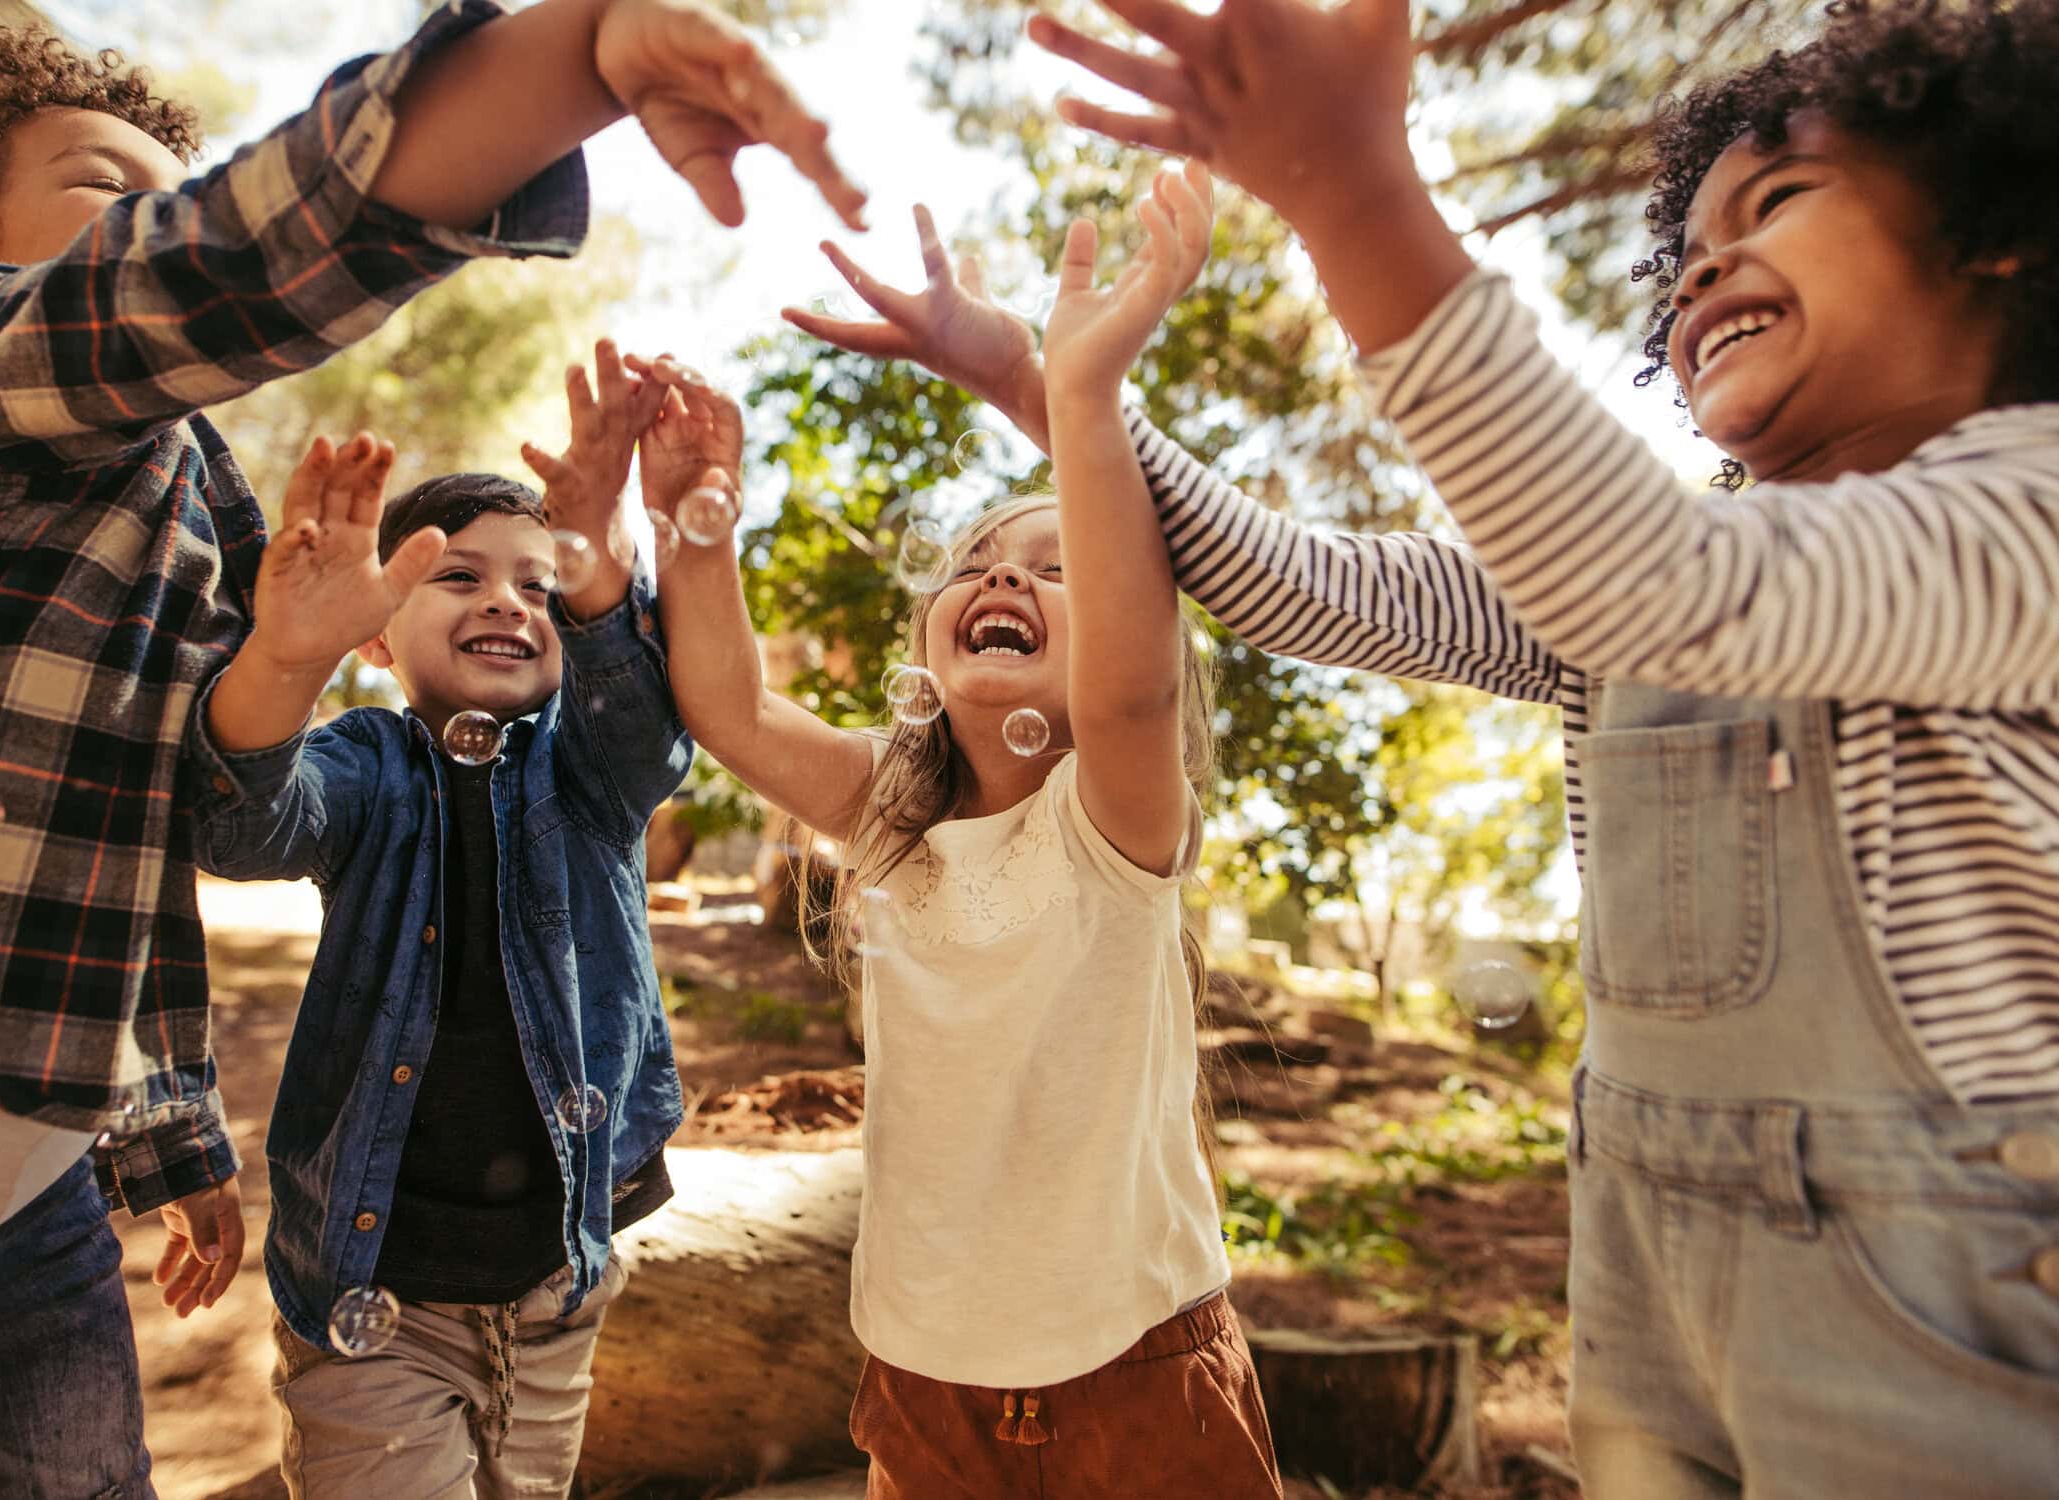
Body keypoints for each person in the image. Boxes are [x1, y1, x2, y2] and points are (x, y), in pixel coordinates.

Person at [802, 1, 2059, 1494]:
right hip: (1654, 1279)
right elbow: (1301, 581)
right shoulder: (1647, 575)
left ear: (1997, 233)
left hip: (1942, 1297)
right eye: (1690, 243)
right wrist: (1049, 385)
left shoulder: (2024, 509)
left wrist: (1353, 199)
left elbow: (1664, 583)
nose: (1707, 261)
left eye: (1777, 199)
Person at [0, 3, 861, 1492]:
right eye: (108, 189)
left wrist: (172, 1140)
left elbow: (136, 836)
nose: (151, 217)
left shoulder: (211, 509)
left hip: (23, 1210)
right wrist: (561, 68)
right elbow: (198, 280)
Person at [641, 164, 1281, 1498]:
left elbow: (1129, 670)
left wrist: (1079, 392)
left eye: (1058, 566)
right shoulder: (893, 816)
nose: (1005, 574)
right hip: (921, 1371)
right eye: (981, 561)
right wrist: (692, 526)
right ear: (931, 646)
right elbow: (733, 708)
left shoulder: (1110, 813)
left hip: (1136, 1374)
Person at [188, 343, 688, 1497]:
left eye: (540, 583)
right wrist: (285, 653)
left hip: (557, 1285)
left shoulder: (586, 772)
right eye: (458, 578)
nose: (509, 599)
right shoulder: (367, 761)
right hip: (376, 1296)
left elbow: (649, 733)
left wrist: (603, 558)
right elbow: (244, 827)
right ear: (376, 633)